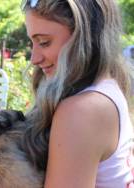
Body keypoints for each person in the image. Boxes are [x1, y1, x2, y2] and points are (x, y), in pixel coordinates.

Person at [21, 0, 134, 187]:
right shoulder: (107, 87)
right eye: (32, 42)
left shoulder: (82, 110)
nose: (34, 58)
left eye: (44, 42)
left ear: (84, 38)